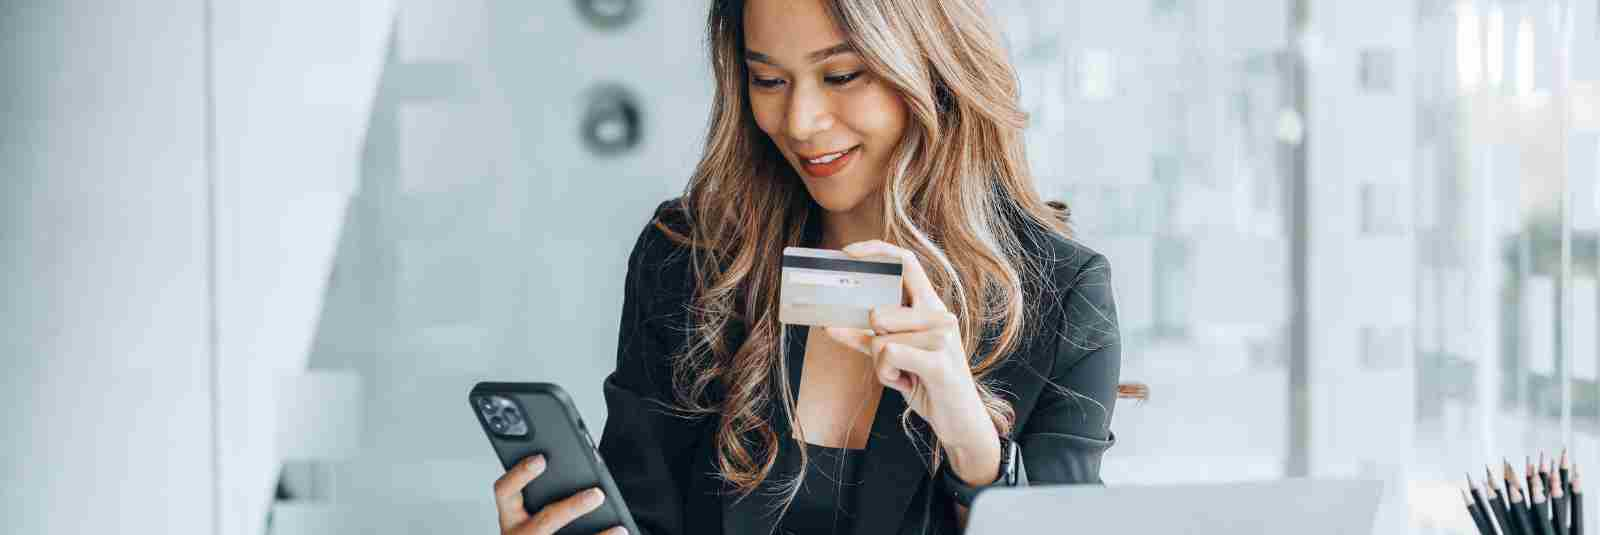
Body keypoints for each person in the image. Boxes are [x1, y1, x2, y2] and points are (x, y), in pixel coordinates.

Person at [492, 0, 1120, 533]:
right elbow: (644, 513)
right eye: (768, 80)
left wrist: (971, 442)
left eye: (842, 75)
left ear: (934, 65)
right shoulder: (689, 259)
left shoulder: (1063, 298)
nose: (800, 122)